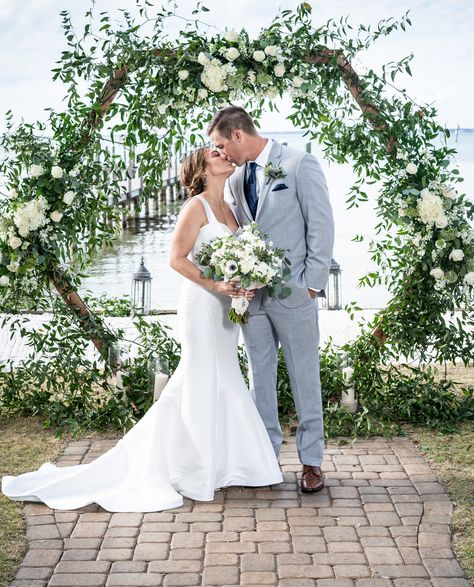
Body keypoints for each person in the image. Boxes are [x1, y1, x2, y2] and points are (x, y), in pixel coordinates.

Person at [1, 146, 283, 512]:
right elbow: (177, 260)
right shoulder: (194, 207)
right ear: (201, 169)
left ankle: (230, 464)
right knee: (201, 377)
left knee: (225, 376)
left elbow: (231, 261)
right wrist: (216, 286)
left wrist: (242, 281)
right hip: (201, 306)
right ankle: (197, 468)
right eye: (216, 153)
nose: (226, 155)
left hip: (226, 307)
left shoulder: (228, 206)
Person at [209, 106, 335, 494]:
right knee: (259, 380)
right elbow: (239, 233)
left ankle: (311, 462)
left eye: (219, 144)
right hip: (253, 299)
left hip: (294, 295)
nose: (218, 152)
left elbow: (322, 225)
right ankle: (266, 458)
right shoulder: (235, 179)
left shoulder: (299, 164)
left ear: (237, 136)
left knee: (304, 378)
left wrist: (311, 285)